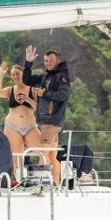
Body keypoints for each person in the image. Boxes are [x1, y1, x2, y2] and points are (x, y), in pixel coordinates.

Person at [23, 46, 72, 183]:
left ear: (57, 61)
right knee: (52, 155)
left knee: (43, 151)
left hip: (52, 120)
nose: (48, 63)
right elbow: (27, 80)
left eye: (51, 60)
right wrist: (28, 63)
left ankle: (42, 184)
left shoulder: (62, 77)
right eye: (45, 61)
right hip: (49, 121)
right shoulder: (46, 77)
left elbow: (64, 95)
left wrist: (44, 93)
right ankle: (56, 184)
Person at [0, 61, 43, 177]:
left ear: (22, 74)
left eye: (18, 74)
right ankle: (18, 181)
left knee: (42, 150)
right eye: (13, 74)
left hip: (30, 126)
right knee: (16, 156)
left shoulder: (32, 90)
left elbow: (38, 108)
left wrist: (28, 99)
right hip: (12, 126)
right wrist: (1, 74)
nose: (15, 76)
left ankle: (42, 178)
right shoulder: (10, 90)